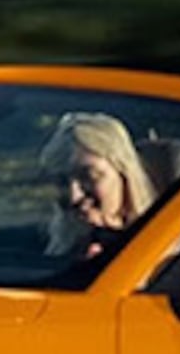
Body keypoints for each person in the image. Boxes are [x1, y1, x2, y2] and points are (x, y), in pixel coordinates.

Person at [39, 111, 161, 266]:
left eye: (89, 177)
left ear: (124, 175)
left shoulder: (168, 260)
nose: (73, 196)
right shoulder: (43, 257)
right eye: (61, 181)